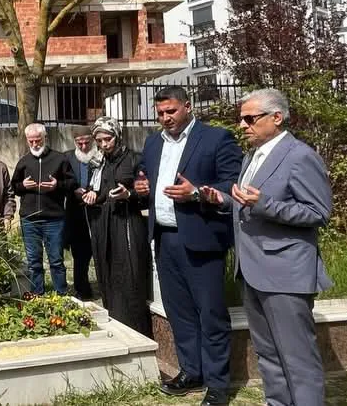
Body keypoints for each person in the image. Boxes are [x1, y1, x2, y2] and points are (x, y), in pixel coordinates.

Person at [202, 89, 332, 406]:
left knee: (297, 357)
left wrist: (265, 205)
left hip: (285, 273)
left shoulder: (300, 156)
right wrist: (223, 200)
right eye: (241, 119)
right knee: (268, 353)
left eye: (250, 118)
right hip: (251, 270)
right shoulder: (252, 156)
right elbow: (248, 203)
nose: (242, 125)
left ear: (276, 117)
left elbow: (318, 212)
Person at [134, 86, 242, 406]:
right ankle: (191, 371)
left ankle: (218, 384)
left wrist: (196, 193)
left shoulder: (216, 139)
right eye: (160, 113)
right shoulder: (153, 143)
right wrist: (141, 186)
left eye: (171, 111)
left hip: (202, 238)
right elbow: (144, 175)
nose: (165, 118)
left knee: (210, 313)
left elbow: (232, 184)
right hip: (164, 238)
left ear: (188, 106)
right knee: (178, 312)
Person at [82, 117, 151, 336]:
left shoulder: (134, 159)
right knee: (107, 274)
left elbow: (145, 194)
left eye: (108, 139)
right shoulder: (96, 163)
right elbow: (94, 190)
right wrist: (91, 195)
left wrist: (128, 194)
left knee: (129, 278)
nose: (104, 144)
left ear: (118, 136)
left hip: (127, 223)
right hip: (103, 225)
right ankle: (115, 327)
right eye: (99, 140)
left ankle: (136, 332)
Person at [10, 123, 75, 296]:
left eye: (38, 140)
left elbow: (72, 184)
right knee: (34, 261)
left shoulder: (60, 159)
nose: (34, 144)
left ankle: (61, 295)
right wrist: (23, 186)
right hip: (29, 219)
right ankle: (37, 294)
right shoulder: (23, 161)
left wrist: (57, 185)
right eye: (30, 141)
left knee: (56, 260)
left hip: (54, 218)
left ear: (45, 138)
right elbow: (14, 187)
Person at [62, 125, 101, 300]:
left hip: (98, 211)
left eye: (87, 143)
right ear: (75, 142)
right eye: (80, 143)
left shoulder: (101, 156)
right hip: (76, 213)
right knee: (80, 255)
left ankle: (105, 288)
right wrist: (73, 190)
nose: (84, 147)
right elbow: (62, 182)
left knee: (100, 252)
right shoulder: (67, 158)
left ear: (92, 140)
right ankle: (82, 290)